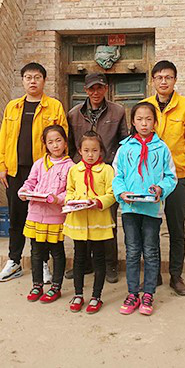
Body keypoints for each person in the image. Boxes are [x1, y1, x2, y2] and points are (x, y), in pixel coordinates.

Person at [0, 62, 68, 282]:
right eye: (28, 77)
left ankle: (42, 263)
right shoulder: (12, 107)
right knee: (17, 217)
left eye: (37, 77)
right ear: (23, 81)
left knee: (42, 220)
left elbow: (63, 138)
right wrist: (1, 166)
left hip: (43, 173)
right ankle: (14, 261)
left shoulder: (54, 106)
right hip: (15, 171)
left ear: (44, 80)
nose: (32, 81)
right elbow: (3, 137)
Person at [142, 60, 185, 296]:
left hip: (177, 177)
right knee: (150, 228)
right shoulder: (146, 106)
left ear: (175, 80)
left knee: (177, 229)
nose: (164, 81)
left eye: (168, 77)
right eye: (159, 77)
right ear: (153, 81)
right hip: (150, 179)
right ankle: (154, 274)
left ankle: (176, 276)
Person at [113, 102, 176, 316]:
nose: (144, 123)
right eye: (139, 119)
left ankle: (148, 293)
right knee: (132, 251)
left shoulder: (162, 148)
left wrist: (160, 189)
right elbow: (117, 175)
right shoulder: (124, 148)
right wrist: (121, 192)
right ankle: (133, 293)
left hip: (152, 209)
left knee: (150, 251)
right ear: (133, 121)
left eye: (148, 119)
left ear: (155, 122)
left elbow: (171, 176)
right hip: (130, 208)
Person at [66, 73, 128, 283]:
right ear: (85, 90)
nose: (96, 92)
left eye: (99, 87)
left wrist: (114, 167)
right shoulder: (74, 114)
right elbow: (70, 144)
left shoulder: (118, 111)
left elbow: (123, 142)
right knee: (83, 218)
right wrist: (77, 165)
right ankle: (84, 264)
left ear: (106, 88)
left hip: (106, 172)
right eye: (91, 88)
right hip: (82, 172)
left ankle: (110, 265)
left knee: (107, 221)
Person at [18, 125, 74, 303]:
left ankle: (56, 287)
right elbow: (30, 182)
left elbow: (70, 191)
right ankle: (37, 285)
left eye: (58, 140)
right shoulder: (39, 164)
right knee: (36, 251)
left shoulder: (71, 167)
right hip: (35, 214)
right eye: (50, 142)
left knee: (56, 251)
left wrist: (58, 199)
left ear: (65, 142)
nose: (55, 145)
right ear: (45, 144)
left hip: (55, 216)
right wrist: (24, 191)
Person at [63, 131, 116, 314]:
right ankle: (78, 294)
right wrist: (71, 201)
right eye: (86, 150)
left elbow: (112, 193)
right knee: (79, 258)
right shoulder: (74, 170)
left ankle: (96, 296)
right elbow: (69, 190)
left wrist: (99, 202)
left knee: (99, 258)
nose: (90, 154)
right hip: (78, 220)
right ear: (80, 151)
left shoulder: (107, 170)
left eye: (94, 150)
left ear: (101, 151)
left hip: (98, 221)